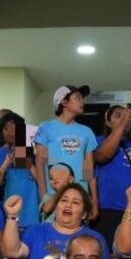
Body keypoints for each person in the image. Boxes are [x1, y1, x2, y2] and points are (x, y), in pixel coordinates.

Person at [34, 85, 99, 220]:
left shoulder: (86, 131)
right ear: (64, 102)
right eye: (77, 98)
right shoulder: (46, 127)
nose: (83, 102)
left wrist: (93, 201)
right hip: (54, 199)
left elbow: (88, 168)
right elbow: (40, 164)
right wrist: (44, 197)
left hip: (79, 198)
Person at [94, 106, 131, 247]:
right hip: (110, 210)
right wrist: (122, 124)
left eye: (126, 116)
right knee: (111, 255)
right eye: (118, 116)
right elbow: (102, 156)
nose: (124, 119)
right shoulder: (99, 140)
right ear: (107, 122)